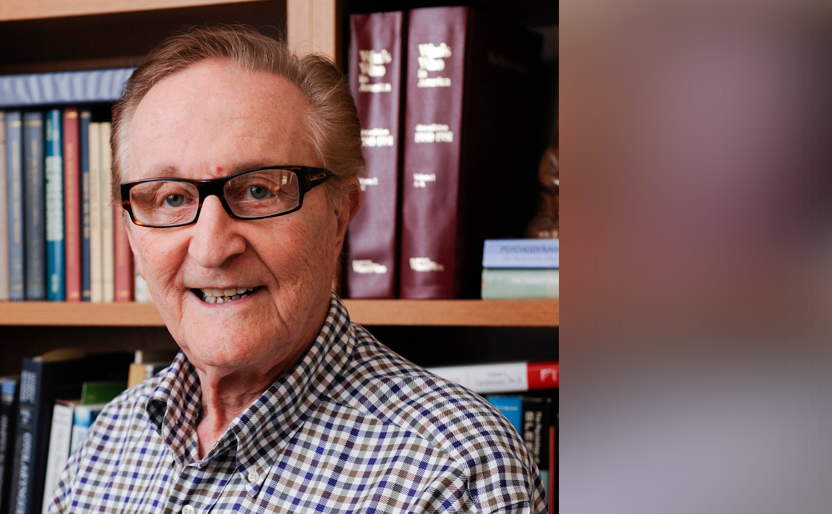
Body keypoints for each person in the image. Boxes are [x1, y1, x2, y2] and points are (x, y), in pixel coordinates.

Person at [50, 26, 547, 513]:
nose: (211, 248)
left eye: (260, 190)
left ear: (340, 215)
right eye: (172, 198)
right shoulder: (106, 445)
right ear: (132, 235)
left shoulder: (455, 472)